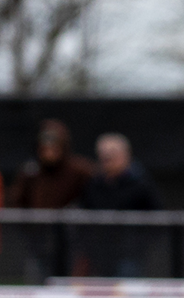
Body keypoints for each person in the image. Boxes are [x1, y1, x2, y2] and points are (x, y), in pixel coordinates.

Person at [6, 119, 94, 279]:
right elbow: (16, 201)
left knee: (66, 281)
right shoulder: (30, 172)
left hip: (69, 239)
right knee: (37, 277)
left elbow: (96, 196)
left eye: (54, 148)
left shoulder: (79, 170)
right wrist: (28, 222)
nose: (49, 153)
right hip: (37, 238)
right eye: (45, 149)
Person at [80, 133, 162, 279]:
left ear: (125, 155)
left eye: (112, 154)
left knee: (127, 292)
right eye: (103, 155)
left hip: (129, 254)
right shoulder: (94, 183)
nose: (107, 159)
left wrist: (140, 243)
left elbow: (157, 216)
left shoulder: (140, 183)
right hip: (99, 253)